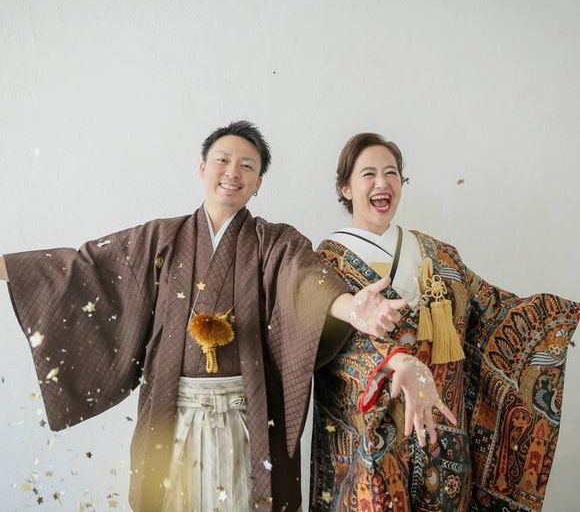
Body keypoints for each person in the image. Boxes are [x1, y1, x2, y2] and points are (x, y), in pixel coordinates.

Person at [0, 122, 403, 512]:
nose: (233, 172)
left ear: (259, 182)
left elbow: (307, 282)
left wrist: (351, 307)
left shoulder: (274, 242)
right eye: (222, 160)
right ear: (202, 168)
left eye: (247, 166)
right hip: (173, 415)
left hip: (247, 419)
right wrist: (8, 269)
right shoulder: (160, 239)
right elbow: (88, 268)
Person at [310, 133, 579, 511]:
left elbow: (491, 310)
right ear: (346, 187)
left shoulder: (437, 254)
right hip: (371, 435)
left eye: (392, 173)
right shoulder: (323, 264)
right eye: (368, 174)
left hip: (443, 430)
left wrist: (556, 316)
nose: (382, 182)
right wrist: (392, 361)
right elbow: (321, 344)